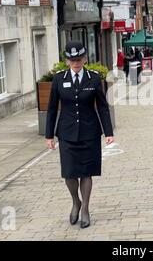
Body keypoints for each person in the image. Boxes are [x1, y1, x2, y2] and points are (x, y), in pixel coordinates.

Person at [45, 41, 114, 229]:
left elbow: (102, 106)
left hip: (89, 132)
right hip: (66, 133)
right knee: (69, 173)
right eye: (72, 60)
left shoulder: (93, 78)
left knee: (86, 172)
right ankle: (76, 201)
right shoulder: (59, 79)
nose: (76, 63)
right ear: (67, 61)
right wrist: (49, 135)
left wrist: (108, 132)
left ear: (85, 59)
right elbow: (52, 108)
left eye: (79, 59)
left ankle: (85, 208)